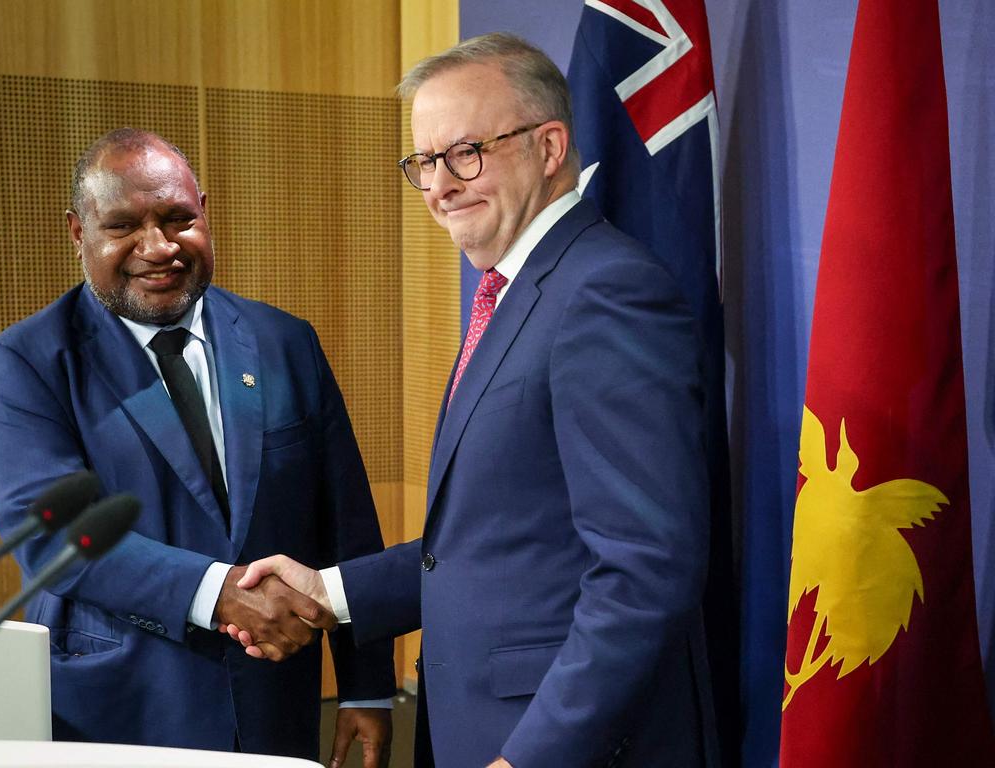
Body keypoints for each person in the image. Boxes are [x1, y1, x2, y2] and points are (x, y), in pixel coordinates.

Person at [231, 33, 718, 768]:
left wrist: (532, 758)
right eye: (424, 162)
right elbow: (500, 539)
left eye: (465, 153)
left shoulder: (607, 292)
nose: (439, 186)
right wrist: (329, 592)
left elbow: (645, 570)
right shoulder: (513, 291)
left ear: (549, 147)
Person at [0, 128, 394, 765]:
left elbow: (345, 523)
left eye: (178, 218)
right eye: (122, 226)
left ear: (205, 210)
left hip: (272, 710)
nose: (159, 247)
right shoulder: (23, 365)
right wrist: (220, 591)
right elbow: (53, 537)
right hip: (116, 717)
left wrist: (369, 687)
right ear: (77, 233)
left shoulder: (285, 342)